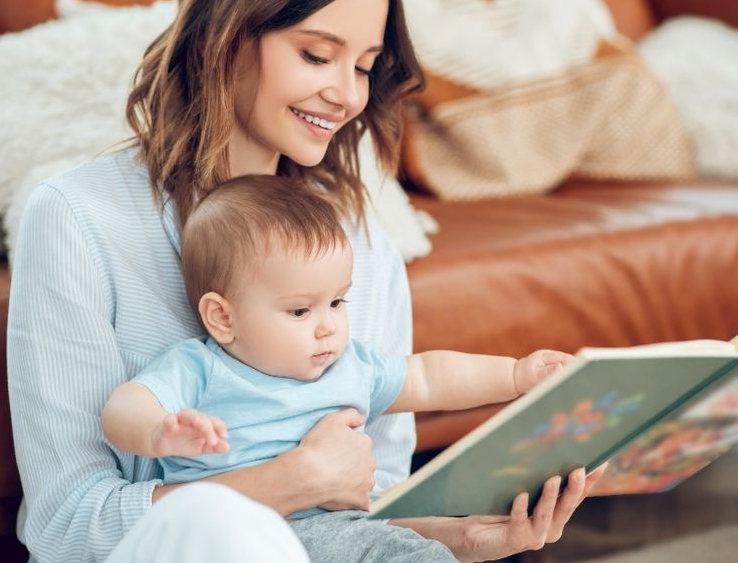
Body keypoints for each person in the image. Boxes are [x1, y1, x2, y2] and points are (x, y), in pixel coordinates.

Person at [6, 0, 604, 561]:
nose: (346, 95)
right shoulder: (77, 219)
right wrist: (293, 481)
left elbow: (365, 512)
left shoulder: (359, 247)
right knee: (214, 521)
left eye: (364, 66)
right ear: (226, 37)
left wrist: (467, 539)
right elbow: (65, 526)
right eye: (317, 55)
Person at [101, 173, 579, 562]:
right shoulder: (201, 368)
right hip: (246, 539)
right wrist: (159, 431)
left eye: (336, 301)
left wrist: (517, 375)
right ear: (223, 318)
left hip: (344, 531)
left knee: (413, 551)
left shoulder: (349, 367)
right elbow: (125, 406)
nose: (328, 326)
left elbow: (430, 377)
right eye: (300, 311)